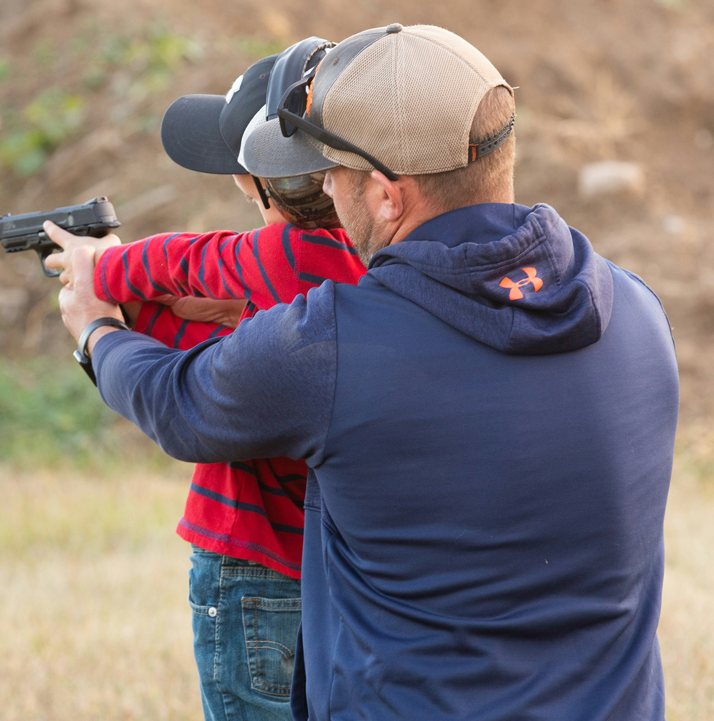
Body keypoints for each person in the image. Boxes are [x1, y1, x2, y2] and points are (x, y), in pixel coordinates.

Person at [53, 23, 679, 721]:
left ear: (386, 194)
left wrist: (97, 329)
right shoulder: (636, 312)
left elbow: (177, 402)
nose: (321, 186)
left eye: (330, 170)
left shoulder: (332, 342)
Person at [46, 38, 366, 721]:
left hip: (246, 563)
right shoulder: (362, 267)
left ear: (261, 180)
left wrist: (101, 273)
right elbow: (229, 353)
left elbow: (182, 264)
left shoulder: (270, 251)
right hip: (332, 577)